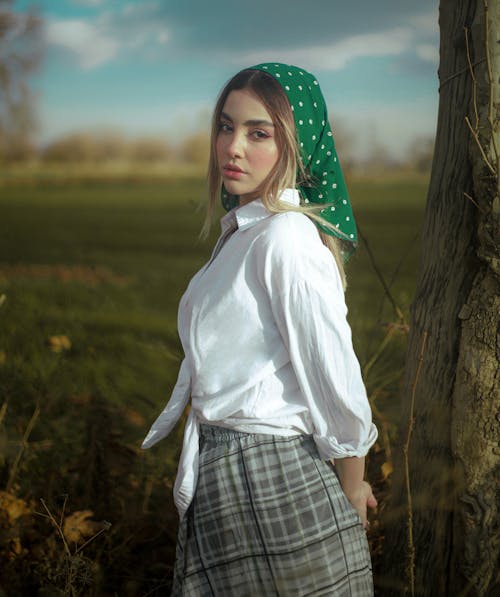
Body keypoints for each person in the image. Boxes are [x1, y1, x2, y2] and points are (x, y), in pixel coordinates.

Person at [142, 62, 378, 596]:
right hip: (225, 475)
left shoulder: (286, 239)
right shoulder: (243, 234)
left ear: (295, 146)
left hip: (273, 478)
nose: (233, 147)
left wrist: (352, 487)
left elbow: (335, 377)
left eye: (258, 133)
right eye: (226, 126)